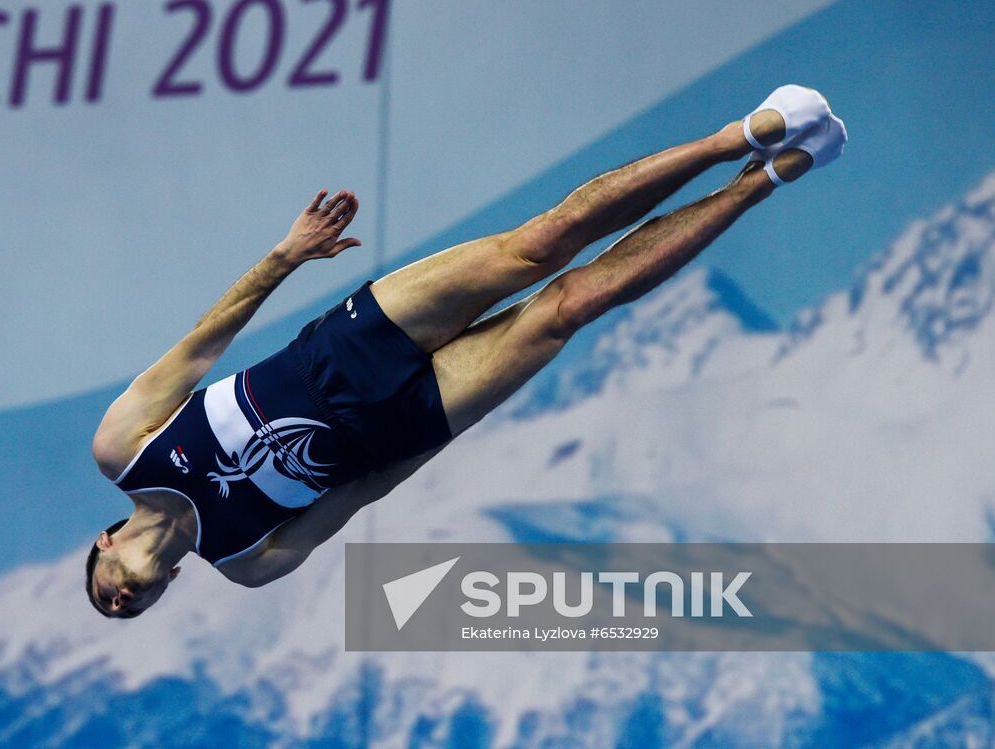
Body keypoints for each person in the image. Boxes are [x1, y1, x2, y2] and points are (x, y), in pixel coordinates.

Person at [87, 85, 847, 618]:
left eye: (105, 591)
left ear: (102, 547)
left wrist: (287, 257)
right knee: (570, 307)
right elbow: (361, 494)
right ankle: (759, 184)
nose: (122, 602)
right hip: (400, 428)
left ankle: (735, 139)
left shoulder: (122, 450)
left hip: (343, 350)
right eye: (127, 611)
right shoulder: (248, 559)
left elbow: (201, 342)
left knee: (538, 248)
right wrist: (441, 426)